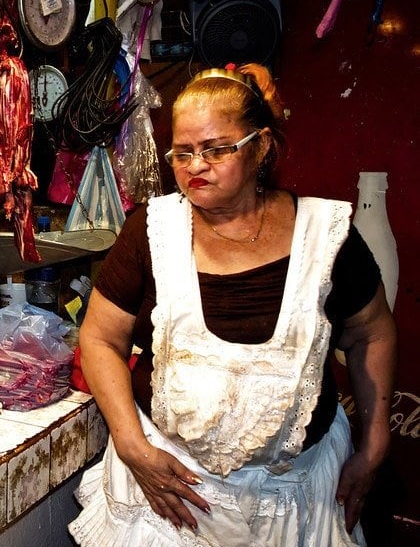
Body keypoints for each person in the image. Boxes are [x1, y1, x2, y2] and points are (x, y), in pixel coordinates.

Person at [68, 64, 397, 546]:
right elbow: (99, 337)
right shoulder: (150, 231)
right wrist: (131, 443)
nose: (195, 166)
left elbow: (373, 331)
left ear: (260, 147)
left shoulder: (326, 235)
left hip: (294, 501)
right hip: (168, 498)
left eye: (216, 149)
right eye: (182, 152)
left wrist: (375, 440)